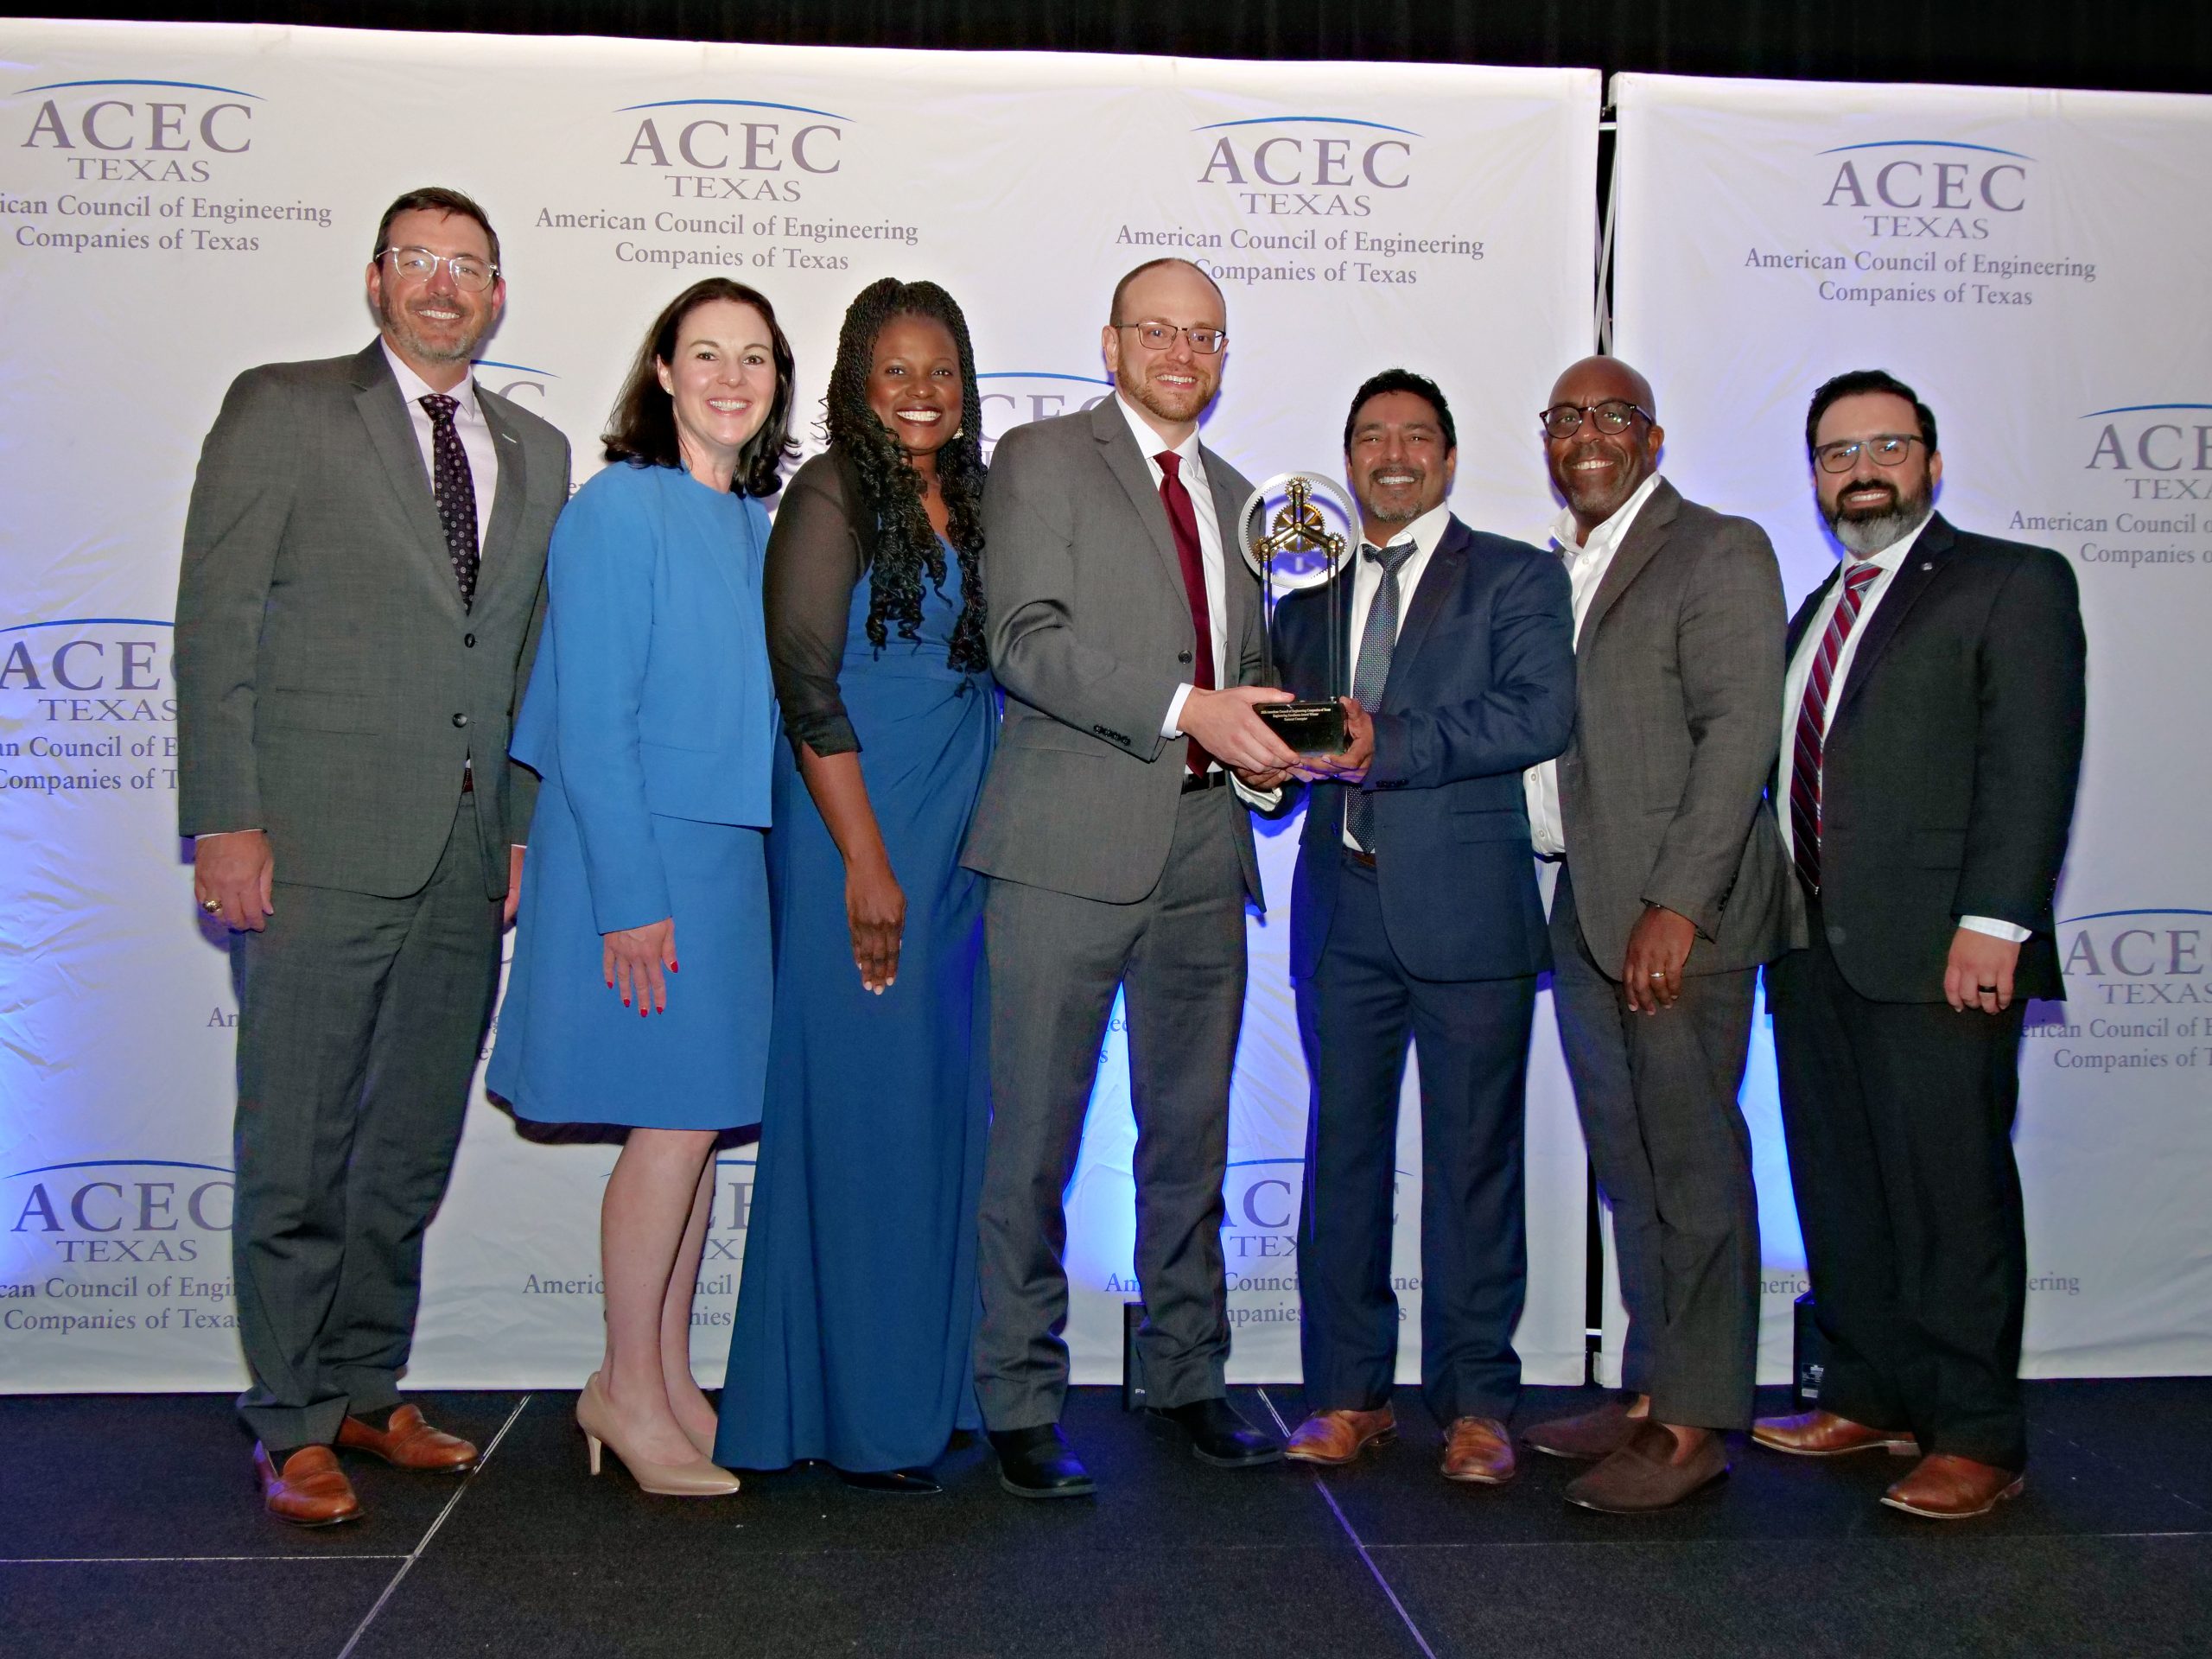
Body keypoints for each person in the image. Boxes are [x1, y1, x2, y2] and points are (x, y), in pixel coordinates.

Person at [175, 188, 570, 1525]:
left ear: (498, 295)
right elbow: (216, 623)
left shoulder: (538, 449)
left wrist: (517, 826)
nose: (443, 284)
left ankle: (361, 1385)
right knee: (298, 1141)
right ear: (376, 279)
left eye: (469, 265)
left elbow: (522, 660)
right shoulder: (283, 409)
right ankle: (289, 1418)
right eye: (419, 260)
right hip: (313, 841)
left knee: (406, 1144)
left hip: (464, 853)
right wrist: (225, 818)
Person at [961, 257, 1301, 1498]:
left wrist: (1266, 758)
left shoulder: (1245, 501)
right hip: (1062, 853)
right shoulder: (1041, 459)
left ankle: (1188, 1374)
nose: (1180, 353)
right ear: (1110, 344)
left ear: (1224, 354)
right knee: (1032, 1144)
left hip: (1208, 853)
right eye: (1156, 330)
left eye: (1204, 335)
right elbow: (1024, 640)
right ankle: (1018, 1396)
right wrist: (1190, 709)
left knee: (1193, 1140)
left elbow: (1246, 675)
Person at [1751, 370, 2086, 1521]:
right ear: (1815, 476)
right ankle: (1870, 1391)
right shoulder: (1817, 607)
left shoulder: (2010, 581)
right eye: (1837, 453)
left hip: (1944, 955)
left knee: (1952, 1197)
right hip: (1811, 952)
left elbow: (2033, 762)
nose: (1863, 470)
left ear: (1932, 464)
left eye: (1887, 446)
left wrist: (1995, 924)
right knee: (1841, 1186)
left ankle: (1977, 1433)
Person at [486, 277, 794, 1497]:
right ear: (662, 372)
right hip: (645, 861)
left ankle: (666, 1382)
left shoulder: (757, 525)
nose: (731, 377)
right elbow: (593, 720)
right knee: (671, 1129)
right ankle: (621, 1385)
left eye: (754, 358)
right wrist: (628, 899)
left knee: (698, 1124)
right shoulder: (619, 508)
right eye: (705, 353)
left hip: (727, 862)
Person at [715, 279, 995, 1494]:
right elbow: (805, 687)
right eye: (897, 371)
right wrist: (867, 865)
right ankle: (859, 1411)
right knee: (868, 1108)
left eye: (942, 371)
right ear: (855, 385)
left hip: (960, 832)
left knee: (941, 1105)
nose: (922, 392)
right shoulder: (831, 494)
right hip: (861, 827)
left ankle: (935, 1387)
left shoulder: (974, 496)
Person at [1272, 371, 1574, 1486]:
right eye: (1370, 437)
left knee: (1473, 1165)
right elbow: (1290, 741)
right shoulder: (1303, 604)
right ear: (1348, 457)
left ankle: (1478, 1406)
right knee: (1342, 1160)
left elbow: (1538, 714)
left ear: (1447, 458)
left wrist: (1385, 745)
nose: (1391, 455)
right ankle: (1345, 1395)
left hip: (1471, 915)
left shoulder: (1516, 577)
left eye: (1414, 437)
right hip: (1341, 911)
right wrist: (1263, 771)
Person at [1515, 358, 1789, 1513]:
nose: (1587, 435)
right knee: (1632, 1168)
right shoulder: (1554, 568)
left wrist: (1678, 904)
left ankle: (1698, 1422)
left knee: (1694, 1167)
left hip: (1680, 922)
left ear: (1654, 438)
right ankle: (1651, 1387)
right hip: (1583, 909)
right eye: (1566, 418)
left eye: (1612, 416)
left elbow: (1739, 736)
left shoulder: (1718, 549)